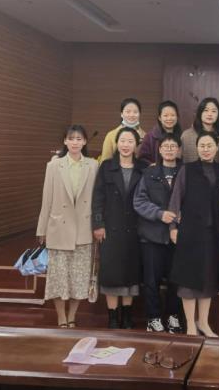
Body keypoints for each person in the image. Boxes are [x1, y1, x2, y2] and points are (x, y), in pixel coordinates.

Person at [36, 125, 98, 328]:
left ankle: (72, 315)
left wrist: (98, 225)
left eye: (79, 139)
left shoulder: (93, 165)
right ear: (65, 141)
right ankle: (61, 317)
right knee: (58, 278)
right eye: (71, 138)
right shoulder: (54, 165)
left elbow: (97, 199)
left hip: (83, 228)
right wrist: (42, 229)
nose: (75, 142)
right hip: (58, 229)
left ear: (85, 141)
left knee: (78, 278)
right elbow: (46, 199)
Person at [168, 133, 219, 337]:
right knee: (188, 279)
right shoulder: (187, 169)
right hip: (190, 232)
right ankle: (190, 326)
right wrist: (173, 227)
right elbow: (176, 199)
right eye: (202, 145)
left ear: (216, 148)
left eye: (209, 145)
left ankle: (203, 323)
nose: (206, 149)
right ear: (197, 148)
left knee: (208, 280)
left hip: (213, 234)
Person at [92, 127, 147, 329]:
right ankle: (113, 318)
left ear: (136, 145)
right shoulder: (107, 166)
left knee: (131, 274)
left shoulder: (143, 168)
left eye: (130, 141)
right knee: (111, 274)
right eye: (122, 141)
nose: (126, 145)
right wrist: (98, 224)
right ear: (117, 143)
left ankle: (127, 317)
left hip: (135, 229)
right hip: (110, 228)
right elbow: (98, 197)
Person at [133, 133, 183, 333]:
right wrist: (159, 214)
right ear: (159, 150)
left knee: (175, 280)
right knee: (151, 281)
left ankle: (173, 316)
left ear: (179, 150)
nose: (169, 149)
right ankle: (153, 318)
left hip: (177, 236)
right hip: (152, 235)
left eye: (173, 146)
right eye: (165, 146)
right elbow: (139, 201)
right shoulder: (149, 173)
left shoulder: (185, 172)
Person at [99, 98, 145, 163]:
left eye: (135, 112)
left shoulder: (146, 136)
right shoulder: (111, 135)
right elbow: (105, 161)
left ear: (140, 114)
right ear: (121, 114)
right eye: (128, 112)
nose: (131, 115)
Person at [180, 97, 219, 163]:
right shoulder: (186, 135)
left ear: (218, 114)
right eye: (206, 110)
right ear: (200, 112)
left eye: (214, 111)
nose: (210, 114)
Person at [138, 100, 182, 166]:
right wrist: (151, 165)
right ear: (160, 118)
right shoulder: (150, 137)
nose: (169, 118)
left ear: (177, 117)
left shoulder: (181, 136)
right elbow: (142, 159)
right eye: (165, 115)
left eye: (173, 115)